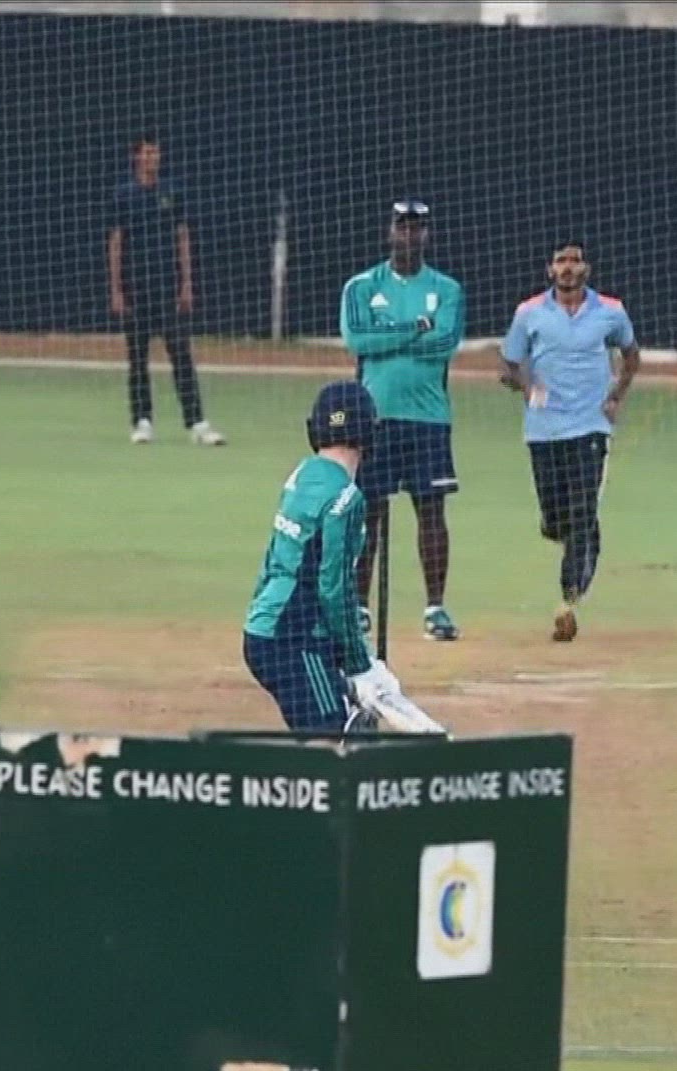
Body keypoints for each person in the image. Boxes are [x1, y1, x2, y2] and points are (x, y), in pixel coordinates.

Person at [242, 381, 418, 732]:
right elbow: (335, 589)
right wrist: (359, 664)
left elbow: (274, 560)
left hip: (262, 629)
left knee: (338, 728)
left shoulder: (300, 476)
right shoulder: (346, 499)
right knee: (335, 740)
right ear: (368, 432)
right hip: (296, 640)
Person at [499, 240, 640, 643]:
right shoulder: (529, 313)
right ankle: (576, 537)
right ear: (550, 270)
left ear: (586, 269)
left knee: (582, 513)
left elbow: (631, 356)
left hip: (590, 426)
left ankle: (569, 601)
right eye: (561, 261)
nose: (567, 267)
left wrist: (616, 396)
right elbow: (509, 364)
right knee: (555, 519)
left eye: (575, 260)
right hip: (544, 429)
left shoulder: (610, 311)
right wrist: (528, 388)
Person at [340, 199, 467, 642]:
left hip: (428, 416)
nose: (409, 235)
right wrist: (415, 327)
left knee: (431, 510)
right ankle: (358, 606)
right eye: (402, 226)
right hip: (374, 416)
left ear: (427, 234)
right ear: (389, 231)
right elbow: (359, 340)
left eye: (417, 228)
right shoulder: (361, 286)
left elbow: (444, 343)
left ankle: (435, 608)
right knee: (368, 512)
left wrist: (391, 333)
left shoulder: (447, 289)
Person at [107, 133, 224, 447]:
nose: (151, 159)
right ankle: (142, 421)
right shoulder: (124, 195)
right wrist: (116, 289)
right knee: (137, 357)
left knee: (181, 354)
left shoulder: (172, 192)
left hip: (168, 286)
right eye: (146, 153)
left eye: (155, 153)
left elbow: (183, 237)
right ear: (136, 157)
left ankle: (197, 423)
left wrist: (186, 283)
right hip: (135, 286)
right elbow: (116, 242)